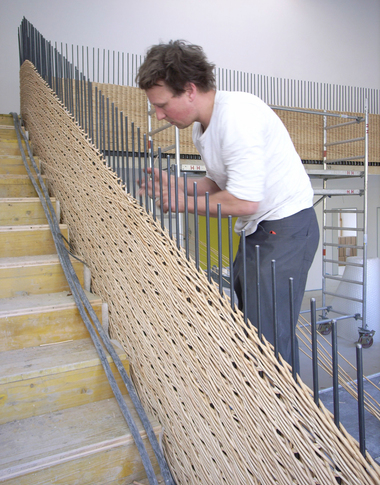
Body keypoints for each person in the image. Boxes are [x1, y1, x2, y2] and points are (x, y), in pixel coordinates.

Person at [137, 40, 319, 374]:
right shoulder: (203, 129)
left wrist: (182, 203)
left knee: (268, 339)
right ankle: (263, 396)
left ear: (189, 90)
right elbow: (220, 185)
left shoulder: (237, 116)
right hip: (261, 230)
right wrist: (176, 183)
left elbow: (245, 200)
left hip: (286, 228)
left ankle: (280, 416)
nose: (159, 114)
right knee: (251, 320)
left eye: (162, 105)